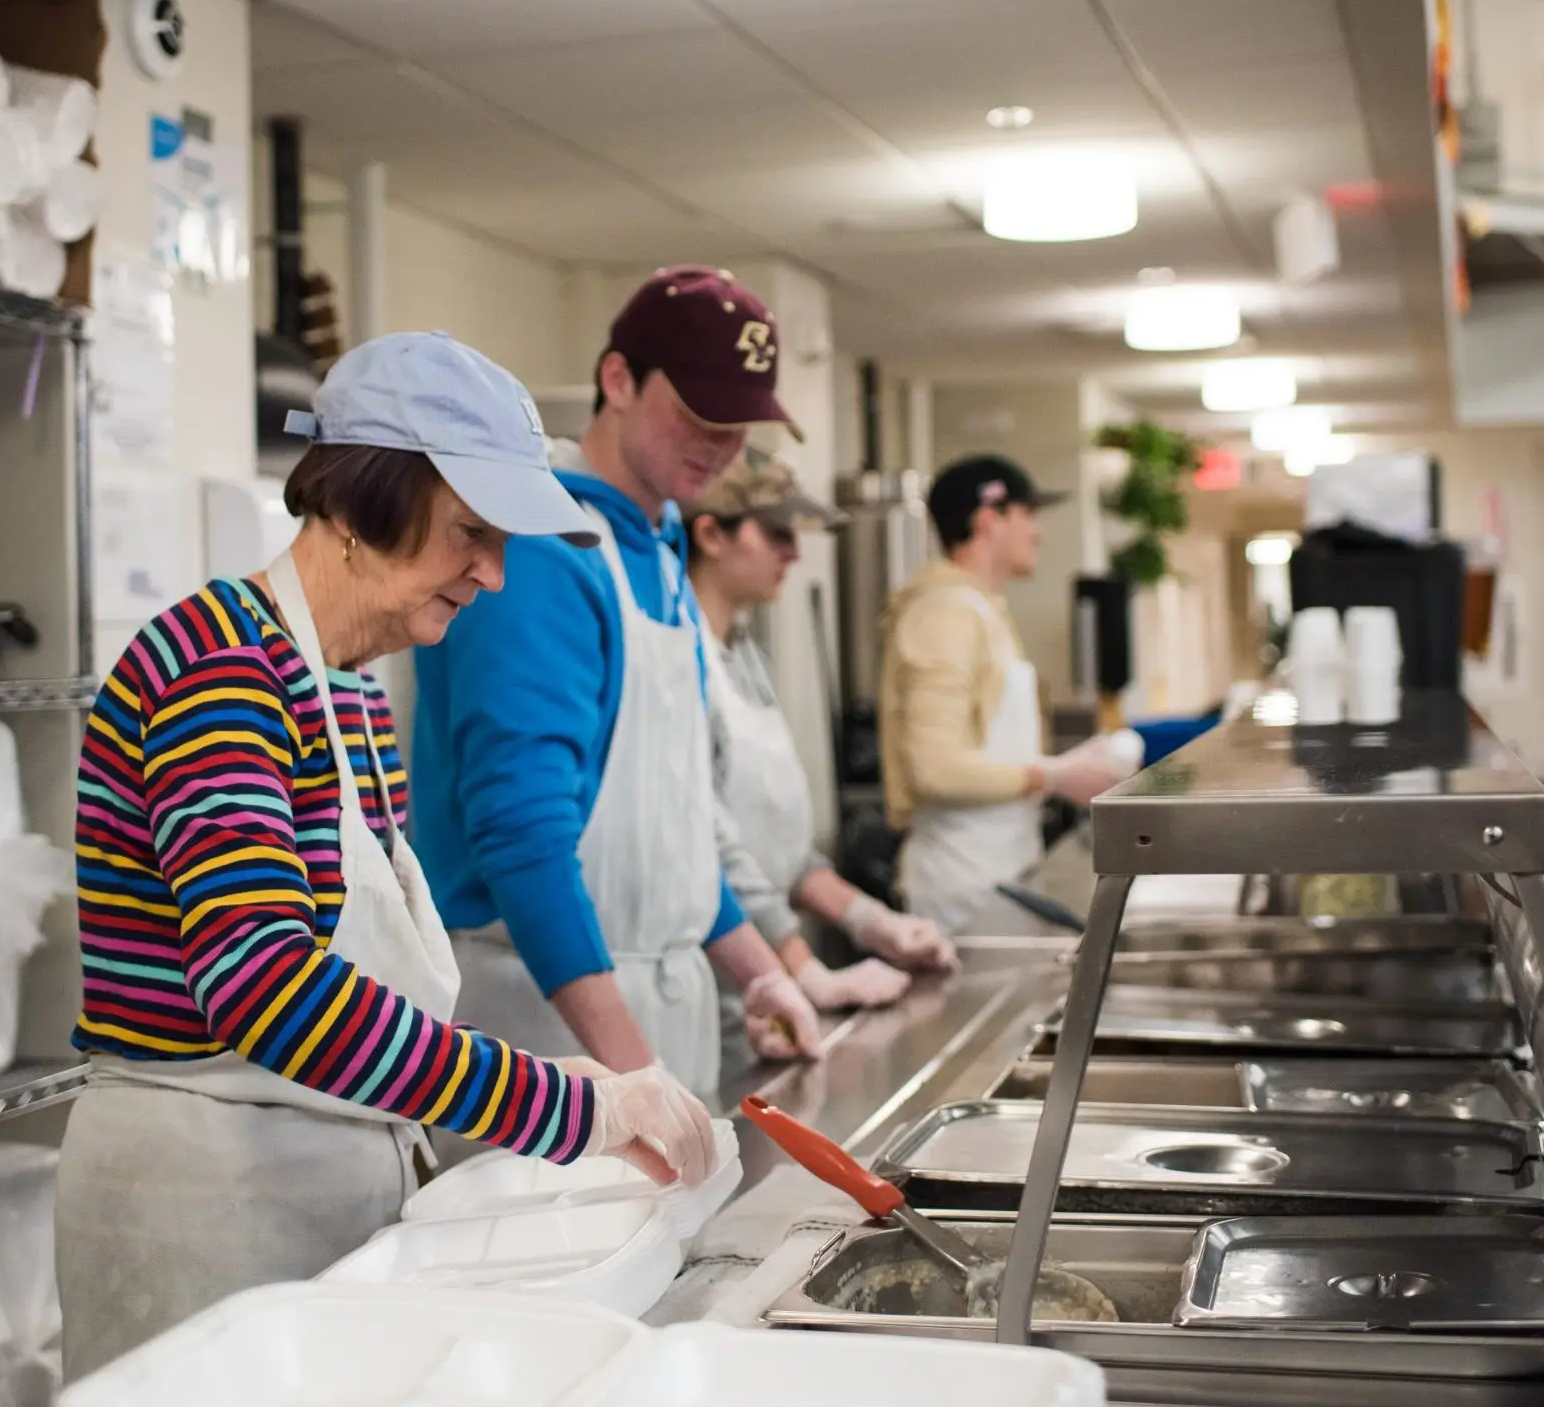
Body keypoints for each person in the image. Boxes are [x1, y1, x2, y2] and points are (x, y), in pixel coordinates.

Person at [56, 333, 718, 1378]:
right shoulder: (215, 669)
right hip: (203, 1209)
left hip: (317, 1189)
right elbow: (266, 989)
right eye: (472, 533)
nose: (495, 576)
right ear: (365, 503)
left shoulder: (354, 692)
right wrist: (568, 1102)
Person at [412, 267, 825, 1101]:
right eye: (699, 412)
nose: (721, 442)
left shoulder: (659, 542)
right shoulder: (540, 545)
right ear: (617, 380)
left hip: (654, 1004)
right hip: (546, 1024)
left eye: (739, 423)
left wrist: (763, 970)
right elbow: (522, 837)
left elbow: (665, 829)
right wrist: (632, 1075)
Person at [686, 452, 957, 1018]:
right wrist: (799, 966)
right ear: (710, 535)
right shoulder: (679, 662)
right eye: (777, 532)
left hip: (763, 985)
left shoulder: (746, 657)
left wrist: (871, 921)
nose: (795, 552)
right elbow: (705, 848)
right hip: (718, 982)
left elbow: (778, 847)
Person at [879, 454, 1125, 934]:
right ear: (989, 519)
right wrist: (1054, 776)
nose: (1039, 532)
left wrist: (1064, 770)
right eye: (1028, 515)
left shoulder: (980, 608)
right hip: (962, 888)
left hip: (998, 870)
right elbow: (934, 768)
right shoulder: (944, 614)